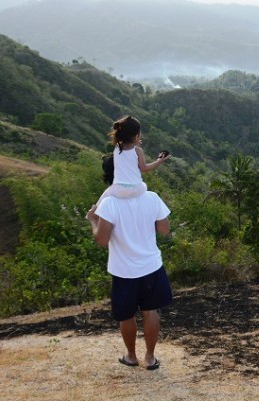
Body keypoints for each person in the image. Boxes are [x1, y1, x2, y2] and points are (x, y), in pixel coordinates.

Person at [86, 151, 173, 371]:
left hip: (124, 271)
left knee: (126, 316)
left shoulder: (109, 204)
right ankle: (150, 358)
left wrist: (92, 220)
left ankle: (131, 356)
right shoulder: (152, 197)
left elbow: (102, 240)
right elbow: (164, 230)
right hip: (151, 266)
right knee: (150, 311)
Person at [96, 115, 170, 206]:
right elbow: (144, 168)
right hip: (132, 189)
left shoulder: (118, 147)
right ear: (136, 136)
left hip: (117, 187)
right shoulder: (138, 151)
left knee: (97, 209)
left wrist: (133, 141)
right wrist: (159, 161)